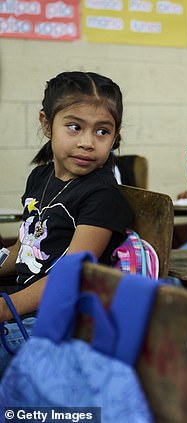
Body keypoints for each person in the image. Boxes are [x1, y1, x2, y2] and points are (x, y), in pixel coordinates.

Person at [0, 71, 133, 374]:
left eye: (102, 132)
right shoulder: (40, 177)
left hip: (69, 321)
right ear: (46, 124)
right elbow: (25, 249)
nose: (88, 143)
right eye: (74, 127)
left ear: (116, 135)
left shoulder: (102, 195)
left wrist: (5, 308)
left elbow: (70, 277)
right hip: (27, 307)